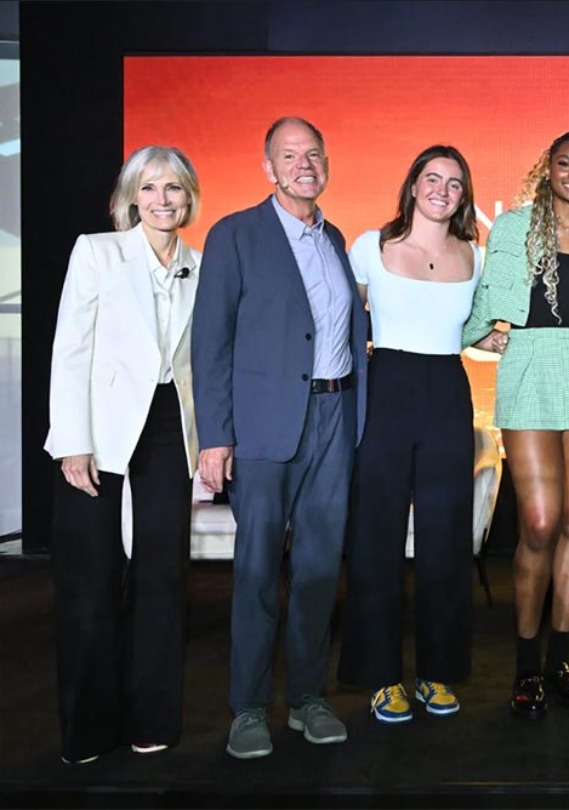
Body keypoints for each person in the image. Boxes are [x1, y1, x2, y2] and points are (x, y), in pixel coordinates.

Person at [193, 117, 369, 759]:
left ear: (327, 164)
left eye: (313, 154)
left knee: (319, 570)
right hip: (264, 426)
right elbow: (210, 341)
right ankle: (247, 708)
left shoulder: (336, 238)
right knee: (257, 570)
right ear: (269, 168)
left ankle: (307, 699)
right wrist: (216, 436)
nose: (304, 165)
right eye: (289, 155)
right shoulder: (235, 234)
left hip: (333, 419)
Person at [460, 130, 569, 719]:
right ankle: (525, 665)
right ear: (547, 169)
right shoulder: (511, 228)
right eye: (565, 163)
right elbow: (481, 303)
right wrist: (482, 335)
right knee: (538, 522)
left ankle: (559, 660)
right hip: (529, 367)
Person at [45, 146, 202, 764]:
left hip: (168, 427)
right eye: (151, 187)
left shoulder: (200, 264)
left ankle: (152, 718)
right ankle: (87, 730)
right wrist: (73, 441)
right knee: (90, 580)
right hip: (100, 428)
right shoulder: (97, 252)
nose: (163, 199)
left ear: (189, 198)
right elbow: (70, 348)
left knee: (162, 578)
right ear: (133, 196)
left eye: (174, 188)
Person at [336, 145, 481, 723]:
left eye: (454, 182)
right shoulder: (370, 247)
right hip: (386, 389)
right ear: (414, 185)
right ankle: (380, 677)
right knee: (376, 537)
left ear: (464, 195)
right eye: (432, 178)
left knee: (446, 538)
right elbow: (340, 320)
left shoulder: (474, 255)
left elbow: (470, 325)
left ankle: (437, 672)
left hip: (448, 390)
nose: (442, 189)